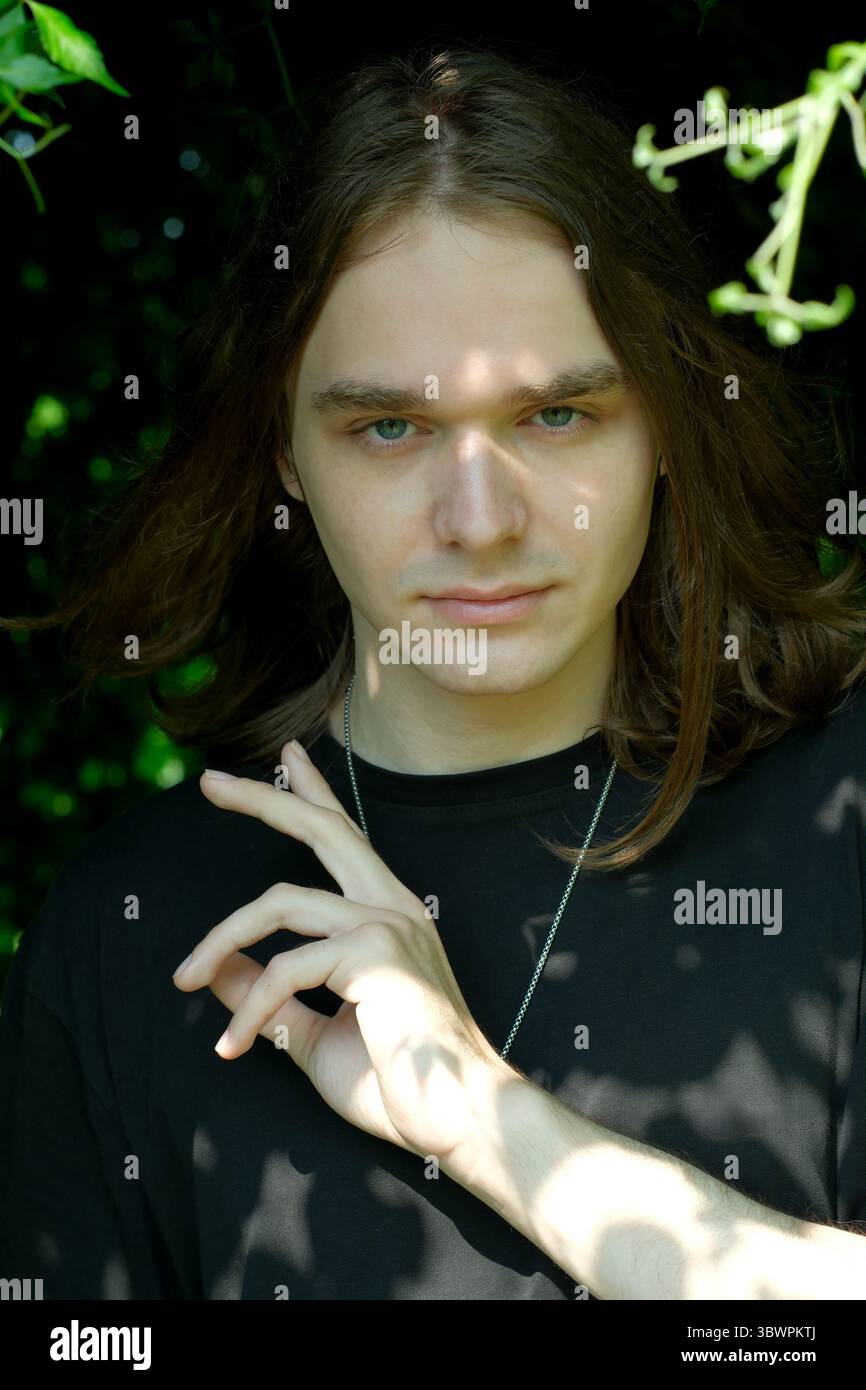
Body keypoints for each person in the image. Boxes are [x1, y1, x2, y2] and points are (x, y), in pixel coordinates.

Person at [1, 44, 865, 1302]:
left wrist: (489, 1127)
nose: (478, 518)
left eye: (555, 416)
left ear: (669, 425)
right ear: (284, 456)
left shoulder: (842, 824)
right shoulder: (132, 938)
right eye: (390, 428)